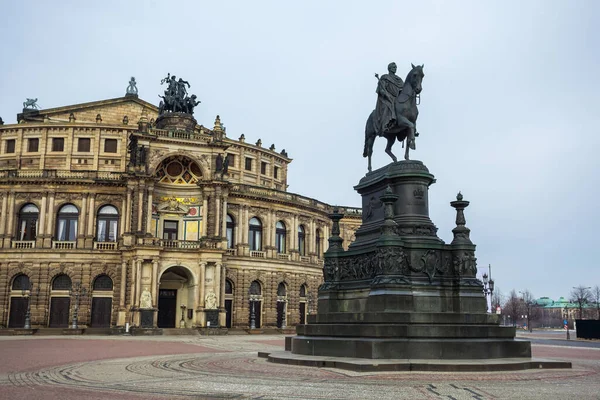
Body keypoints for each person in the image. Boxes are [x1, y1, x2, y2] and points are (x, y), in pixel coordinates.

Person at [374, 62, 404, 136]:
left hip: (397, 98)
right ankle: (386, 124)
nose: (395, 68)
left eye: (396, 67)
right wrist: (383, 92)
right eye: (393, 67)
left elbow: (402, 89)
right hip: (387, 98)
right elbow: (381, 88)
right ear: (389, 68)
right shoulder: (385, 77)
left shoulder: (399, 79)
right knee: (388, 106)